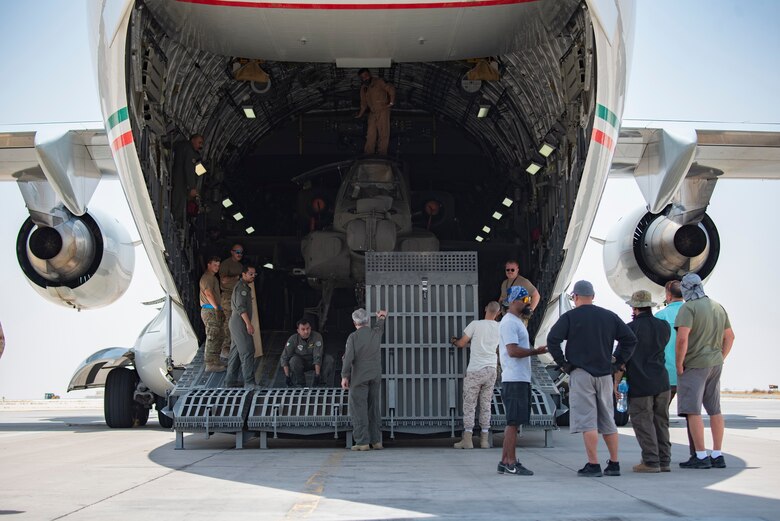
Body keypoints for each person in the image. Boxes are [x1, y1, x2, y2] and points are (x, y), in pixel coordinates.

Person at [547, 280, 637, 477]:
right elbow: (630, 339)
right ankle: (614, 463)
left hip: (581, 373)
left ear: (576, 296)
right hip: (605, 374)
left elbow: (553, 340)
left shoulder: (570, 317)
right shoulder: (609, 316)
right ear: (593, 296)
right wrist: (618, 362)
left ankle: (593, 464)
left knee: (588, 421)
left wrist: (563, 363)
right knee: (608, 421)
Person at [675, 273, 735, 469]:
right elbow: (730, 337)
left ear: (686, 288)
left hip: (694, 364)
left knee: (693, 411)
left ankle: (700, 456)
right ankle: (717, 454)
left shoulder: (688, 308)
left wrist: (679, 364)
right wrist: (721, 357)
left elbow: (682, 339)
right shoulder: (718, 307)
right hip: (715, 364)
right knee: (715, 410)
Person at [615, 290, 672, 473]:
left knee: (643, 422)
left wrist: (616, 384)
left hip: (641, 384)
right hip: (662, 382)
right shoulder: (664, 326)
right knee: (661, 422)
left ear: (635, 307)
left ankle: (650, 461)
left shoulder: (630, 329)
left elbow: (620, 361)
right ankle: (664, 461)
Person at [497, 286, 547, 475]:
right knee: (513, 423)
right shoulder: (510, 323)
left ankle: (504, 461)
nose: (528, 304)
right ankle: (511, 462)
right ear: (515, 301)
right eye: (526, 300)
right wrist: (537, 351)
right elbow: (513, 351)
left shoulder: (516, 322)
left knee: (515, 422)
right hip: (514, 379)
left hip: (519, 378)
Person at [451, 301, 501, 449]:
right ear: (498, 313)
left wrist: (454, 341)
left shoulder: (476, 324)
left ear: (485, 309)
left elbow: (461, 343)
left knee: (470, 404)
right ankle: (484, 440)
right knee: (486, 404)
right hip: (491, 368)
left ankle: (467, 439)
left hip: (475, 369)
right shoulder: (500, 327)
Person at [341, 309, 388, 451]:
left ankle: (362, 442)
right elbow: (379, 326)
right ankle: (376, 441)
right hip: (375, 375)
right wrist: (381, 317)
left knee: (358, 408)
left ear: (354, 322)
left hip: (359, 377)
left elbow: (348, 358)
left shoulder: (353, 337)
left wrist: (345, 376)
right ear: (368, 320)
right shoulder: (375, 333)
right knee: (373, 406)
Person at [225, 265, 258, 388]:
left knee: (235, 352)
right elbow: (241, 308)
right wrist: (248, 324)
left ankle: (230, 381)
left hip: (237, 322)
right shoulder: (242, 289)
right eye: (250, 274)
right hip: (240, 322)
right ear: (243, 274)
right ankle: (249, 382)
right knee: (247, 351)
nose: (253, 276)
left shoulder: (244, 287)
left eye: (254, 274)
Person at [280, 319, 335, 387]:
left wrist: (317, 375)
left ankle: (321, 383)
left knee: (328, 359)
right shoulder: (293, 339)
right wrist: (287, 376)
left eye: (308, 328)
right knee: (293, 361)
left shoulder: (317, 336)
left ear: (310, 328)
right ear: (298, 331)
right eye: (303, 329)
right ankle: (301, 384)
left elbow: (317, 356)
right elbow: (284, 357)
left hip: (316, 362)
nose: (306, 331)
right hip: (301, 363)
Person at [355, 69, 395, 155]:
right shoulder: (363, 88)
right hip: (372, 112)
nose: (364, 78)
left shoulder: (379, 81)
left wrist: (391, 102)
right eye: (362, 77)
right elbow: (363, 103)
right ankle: (368, 154)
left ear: (369, 74)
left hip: (383, 110)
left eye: (365, 75)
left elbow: (390, 88)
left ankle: (382, 154)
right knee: (370, 134)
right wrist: (360, 114)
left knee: (383, 133)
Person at [655, 280, 684, 402]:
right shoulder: (693, 313)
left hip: (665, 374)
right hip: (688, 373)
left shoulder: (660, 316)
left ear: (668, 296)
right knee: (692, 414)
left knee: (661, 414)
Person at [171, 133, 204, 227]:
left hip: (179, 177)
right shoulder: (189, 151)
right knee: (178, 201)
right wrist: (192, 187)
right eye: (199, 142)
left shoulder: (183, 146)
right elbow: (189, 169)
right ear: (193, 140)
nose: (200, 146)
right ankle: (175, 221)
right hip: (181, 180)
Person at [199, 256, 225, 372]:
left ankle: (215, 361)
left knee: (219, 335)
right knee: (213, 335)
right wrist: (217, 309)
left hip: (213, 309)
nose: (217, 267)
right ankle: (210, 364)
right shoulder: (207, 278)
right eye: (215, 265)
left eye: (218, 265)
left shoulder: (212, 278)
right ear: (209, 265)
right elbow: (208, 293)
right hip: (210, 310)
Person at [219, 244, 245, 359]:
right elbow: (223, 280)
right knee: (228, 323)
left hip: (237, 296)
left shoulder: (240, 266)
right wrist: (236, 277)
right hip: (228, 297)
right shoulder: (226, 264)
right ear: (232, 252)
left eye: (241, 252)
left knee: (237, 322)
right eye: (237, 252)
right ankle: (225, 348)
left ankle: (234, 347)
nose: (239, 254)